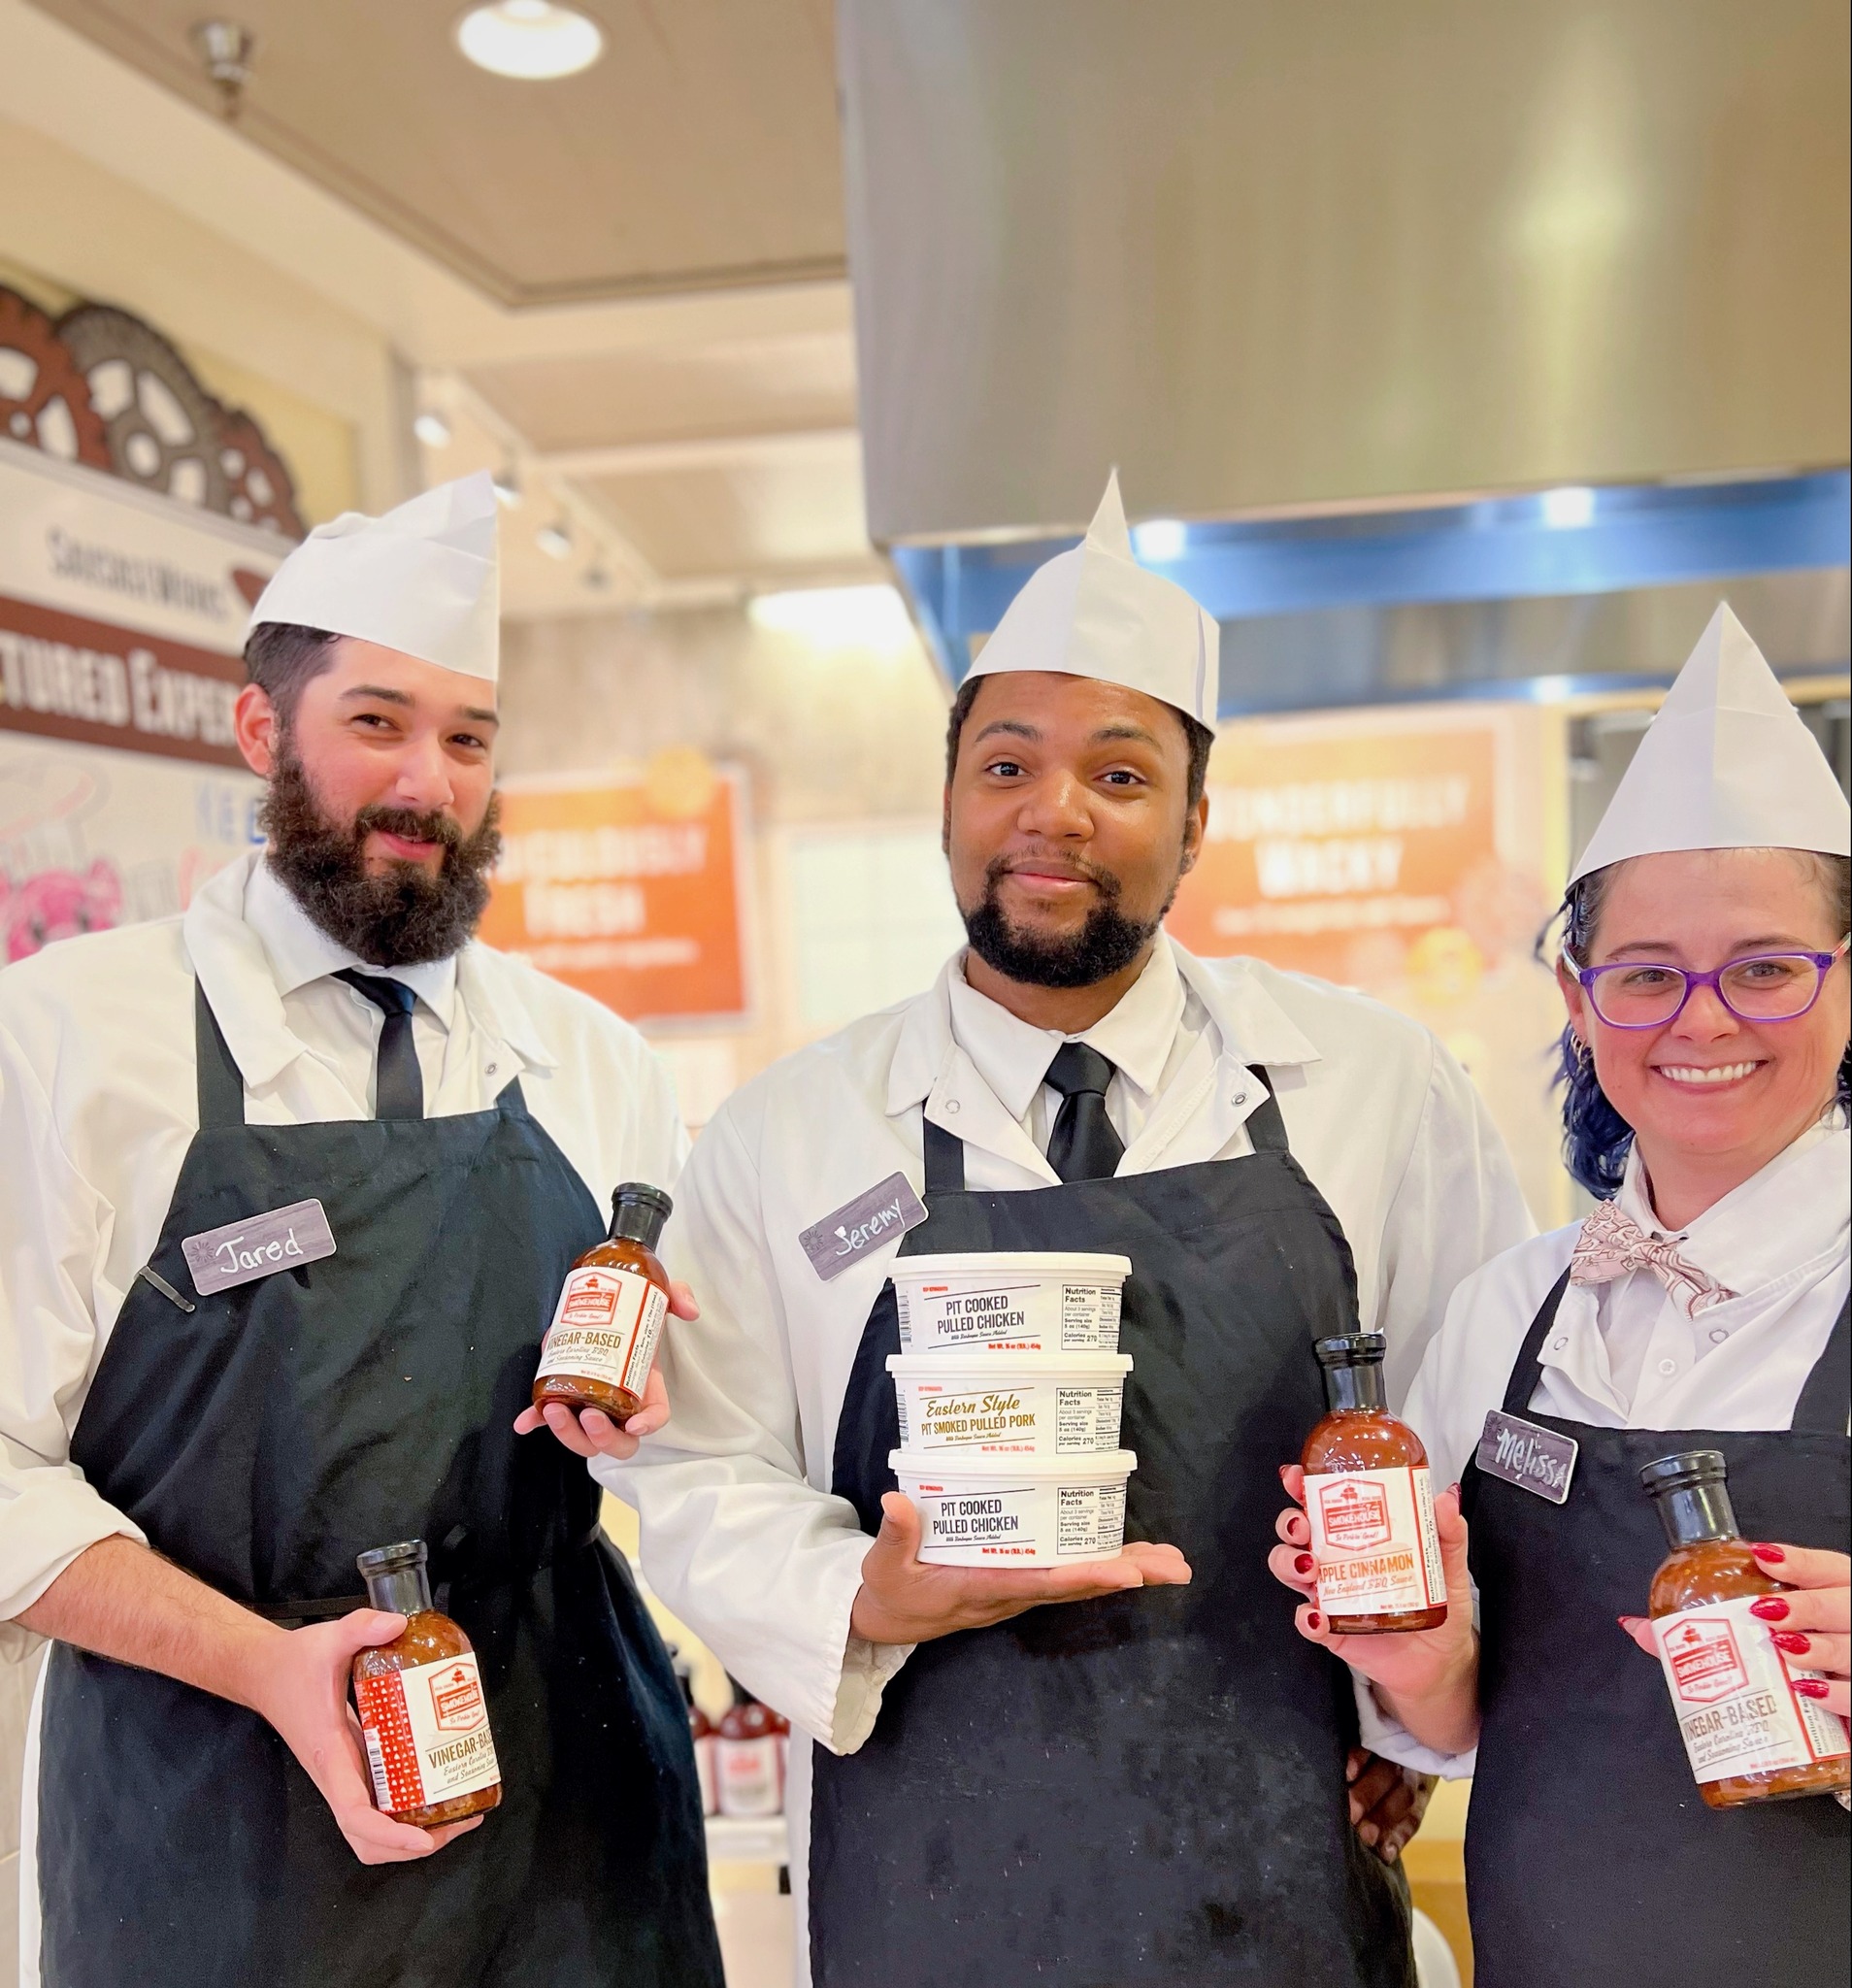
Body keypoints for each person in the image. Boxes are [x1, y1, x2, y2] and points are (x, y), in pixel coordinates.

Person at [547, 476, 1532, 1985]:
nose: (1052, 811)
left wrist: (1411, 1711)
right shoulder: (791, 1135)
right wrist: (855, 1596)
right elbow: (692, 1469)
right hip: (932, 1879)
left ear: (1197, 823)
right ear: (949, 800)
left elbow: (1480, 1426)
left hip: (1284, 1868)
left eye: (1119, 774)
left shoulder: (1376, 1088)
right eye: (1005, 763)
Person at [0, 475, 723, 1988]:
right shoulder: (68, 1041)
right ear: (259, 731)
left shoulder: (592, 1059)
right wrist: (266, 1668)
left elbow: (694, 1430)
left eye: (467, 740)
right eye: (377, 723)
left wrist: (654, 1418)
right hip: (214, 1812)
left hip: (573, 1803)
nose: (426, 783)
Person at [1267, 604, 1849, 1986]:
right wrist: (1414, 1654)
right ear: (1580, 1003)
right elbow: (1469, 1721)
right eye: (1645, 976)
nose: (1703, 1018)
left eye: (1767, 969)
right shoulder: (1508, 1311)